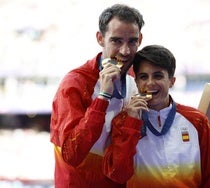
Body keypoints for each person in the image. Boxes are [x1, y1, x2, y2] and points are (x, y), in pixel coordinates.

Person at [103, 45, 210, 187]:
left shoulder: (197, 121)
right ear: (136, 81)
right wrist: (131, 123)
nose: (150, 83)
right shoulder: (123, 122)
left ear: (172, 81)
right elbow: (117, 174)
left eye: (158, 76)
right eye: (144, 77)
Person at [49, 4, 144, 188]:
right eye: (116, 41)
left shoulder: (136, 79)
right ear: (100, 38)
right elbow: (72, 155)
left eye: (132, 41)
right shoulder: (74, 83)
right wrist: (102, 98)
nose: (125, 51)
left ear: (140, 39)